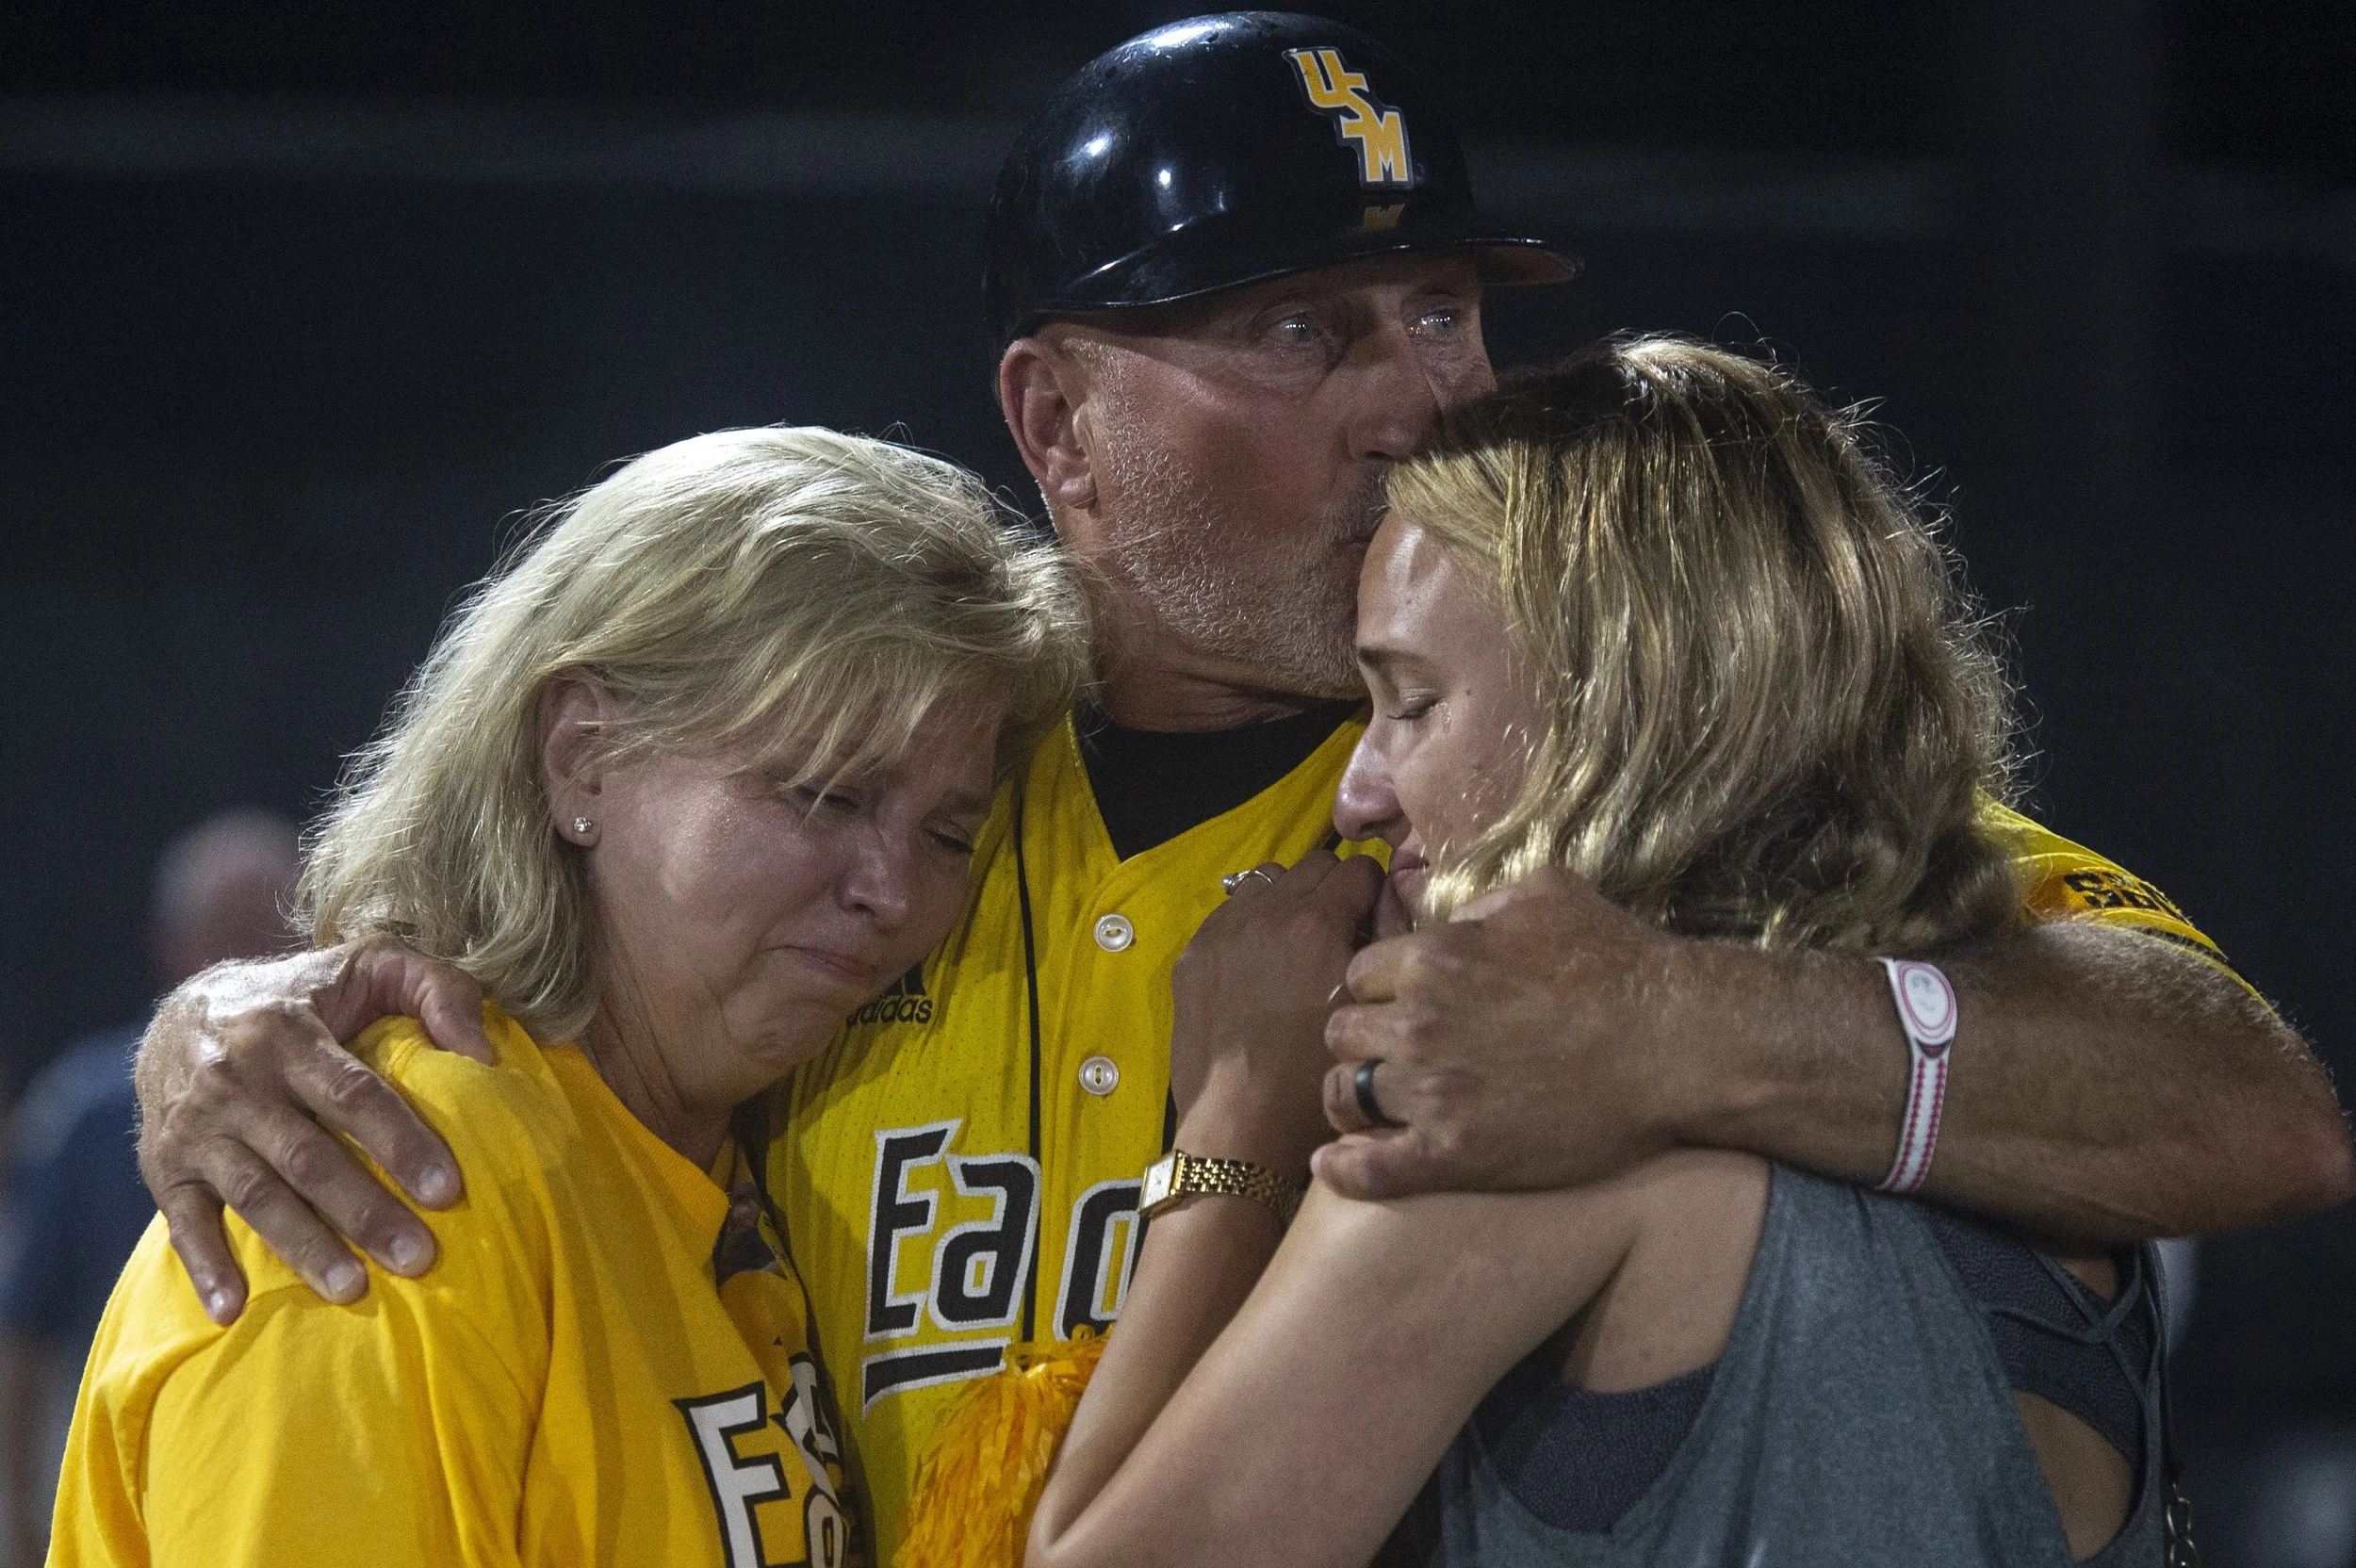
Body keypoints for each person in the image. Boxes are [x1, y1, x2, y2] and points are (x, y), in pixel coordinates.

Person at [121, 14, 2350, 1559]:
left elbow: (2243, 1106)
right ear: (1057, 419)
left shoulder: (1578, 801)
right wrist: (243, 1023)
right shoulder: (891, 814)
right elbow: (534, 1018)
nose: (1419, 398)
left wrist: (1681, 1022)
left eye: (1445, 312)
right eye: (1305, 331)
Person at [1025, 337, 2173, 1567]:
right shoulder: (2047, 1161)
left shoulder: (1511, 1145)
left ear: (1624, 712)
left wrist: (1232, 1137)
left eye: (1412, 703)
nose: (1357, 793)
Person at [47, 427, 1086, 1566]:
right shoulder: (382, 1173)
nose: (893, 890)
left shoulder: (708, 1165)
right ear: (583, 756)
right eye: (825, 792)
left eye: (947, 832)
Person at [2, 808, 299, 1567]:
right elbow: (23, 1336)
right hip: (124, 1488)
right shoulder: (87, 1111)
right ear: (174, 945)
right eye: (230, 925)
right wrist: (17, 1520)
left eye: (276, 925)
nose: (255, 952)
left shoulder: (364, 1092)